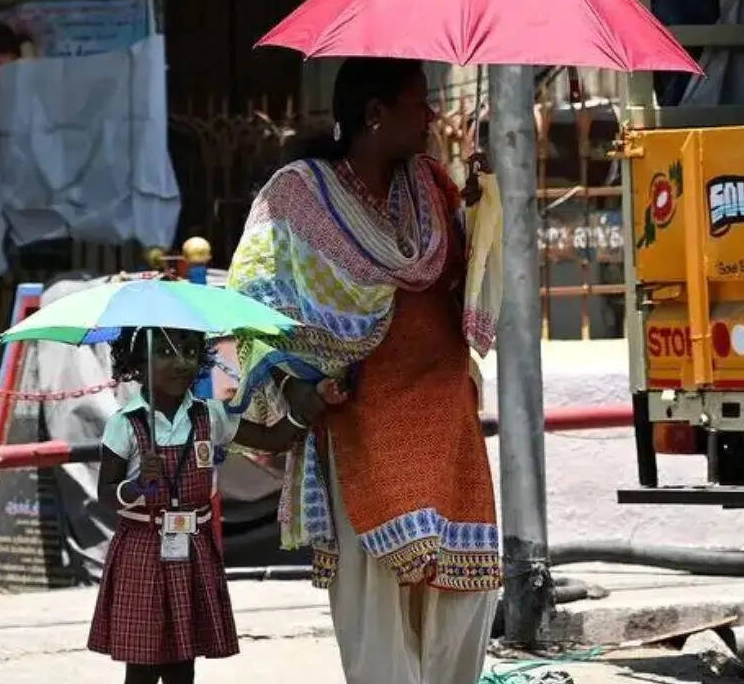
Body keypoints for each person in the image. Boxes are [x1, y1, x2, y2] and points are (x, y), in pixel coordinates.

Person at [226, 57, 502, 684]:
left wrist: (481, 216)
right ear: (375, 115)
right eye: (419, 102)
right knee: (377, 601)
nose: (433, 115)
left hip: (444, 416)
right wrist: (296, 384)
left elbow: (463, 286)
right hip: (361, 421)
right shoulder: (295, 194)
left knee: (463, 589)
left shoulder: (434, 184)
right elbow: (253, 296)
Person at [87, 326, 314, 684]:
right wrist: (137, 485)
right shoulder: (125, 425)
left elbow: (274, 440)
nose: (181, 363)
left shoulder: (212, 416)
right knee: (143, 662)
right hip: (142, 548)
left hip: (193, 547)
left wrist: (303, 411)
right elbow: (105, 494)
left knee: (184, 660)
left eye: (191, 352)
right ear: (137, 365)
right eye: (165, 353)